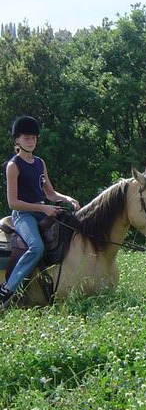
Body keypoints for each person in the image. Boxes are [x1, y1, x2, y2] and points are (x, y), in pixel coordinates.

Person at [0, 116, 80, 308]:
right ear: (17, 140)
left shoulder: (39, 163)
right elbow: (13, 202)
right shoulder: (13, 166)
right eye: (27, 138)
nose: (31, 141)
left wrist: (65, 199)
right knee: (36, 247)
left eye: (34, 137)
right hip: (23, 215)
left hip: (42, 209)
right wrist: (43, 207)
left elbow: (50, 193)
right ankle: (7, 291)